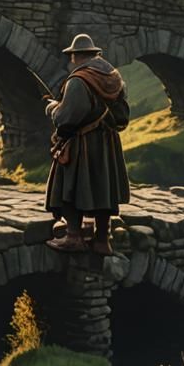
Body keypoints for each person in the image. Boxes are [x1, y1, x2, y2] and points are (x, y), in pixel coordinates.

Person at [44, 33, 131, 255]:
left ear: (76, 56)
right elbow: (122, 116)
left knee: (70, 187)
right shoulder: (114, 78)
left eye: (72, 57)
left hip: (82, 144)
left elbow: (68, 118)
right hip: (108, 143)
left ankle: (74, 237)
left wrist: (54, 109)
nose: (70, 61)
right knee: (104, 188)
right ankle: (102, 240)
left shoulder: (79, 80)